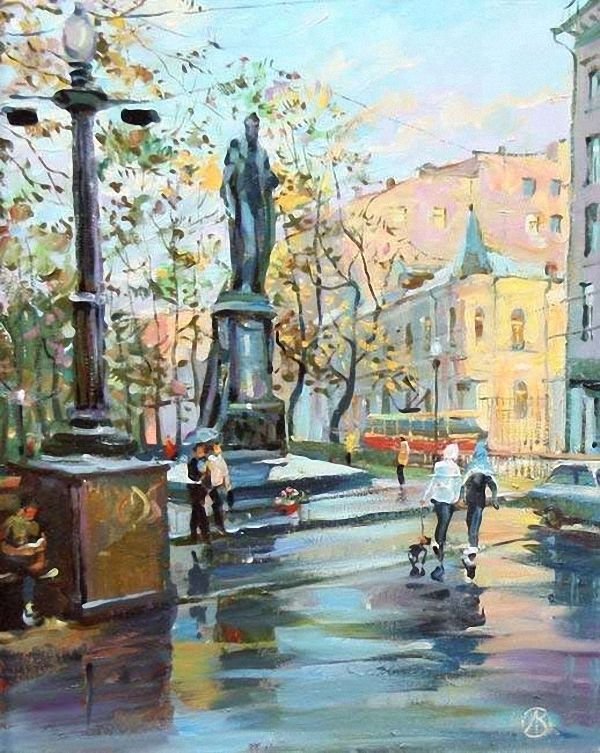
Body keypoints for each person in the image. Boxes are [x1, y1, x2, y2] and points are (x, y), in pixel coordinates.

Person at [420, 442, 463, 581]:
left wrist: (425, 497)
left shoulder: (439, 466)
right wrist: (456, 498)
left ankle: (439, 545)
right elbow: (457, 485)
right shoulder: (455, 468)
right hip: (448, 500)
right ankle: (438, 546)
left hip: (439, 499)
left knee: (442, 523)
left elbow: (433, 482)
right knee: (444, 523)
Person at [458, 438, 499, 579]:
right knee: (472, 523)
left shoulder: (474, 467)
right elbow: (493, 486)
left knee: (473, 525)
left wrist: (462, 497)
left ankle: (471, 555)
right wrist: (494, 498)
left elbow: (464, 484)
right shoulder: (485, 468)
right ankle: (471, 550)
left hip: (473, 501)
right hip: (477, 501)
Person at [205, 443, 234, 535]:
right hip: (217, 486)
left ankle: (220, 525)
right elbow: (224, 473)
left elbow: (225, 473)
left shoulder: (217, 460)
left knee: (219, 504)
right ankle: (220, 525)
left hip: (218, 486)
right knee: (219, 505)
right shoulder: (213, 461)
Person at [187, 443, 211, 544]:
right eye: (198, 451)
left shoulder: (206, 462)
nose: (199, 453)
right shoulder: (193, 462)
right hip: (195, 488)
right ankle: (202, 534)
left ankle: (197, 535)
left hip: (201, 489)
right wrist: (202, 475)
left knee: (197, 510)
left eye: (201, 451)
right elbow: (193, 476)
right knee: (198, 510)